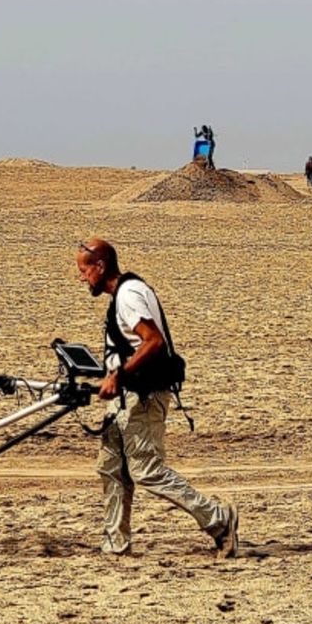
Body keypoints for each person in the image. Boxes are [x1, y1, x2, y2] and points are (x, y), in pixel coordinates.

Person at [75, 238, 239, 558]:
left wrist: (118, 375)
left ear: (101, 266)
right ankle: (115, 543)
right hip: (127, 397)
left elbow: (154, 342)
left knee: (147, 470)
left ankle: (219, 519)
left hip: (143, 397)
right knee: (111, 468)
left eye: (84, 270)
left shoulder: (129, 295)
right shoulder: (125, 293)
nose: (82, 278)